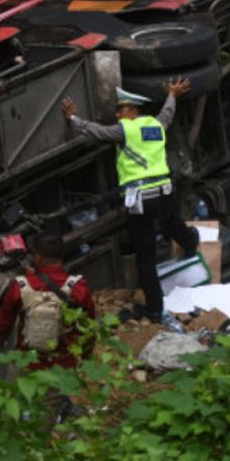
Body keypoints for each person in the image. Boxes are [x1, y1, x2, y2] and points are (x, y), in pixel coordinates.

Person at [61, 79, 199, 323]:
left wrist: (73, 118)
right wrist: (172, 95)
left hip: (142, 199)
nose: (117, 114)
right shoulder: (156, 125)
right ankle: (190, 242)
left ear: (133, 111)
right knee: (173, 224)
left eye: (121, 109)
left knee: (145, 256)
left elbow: (97, 132)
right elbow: (167, 113)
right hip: (164, 191)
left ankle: (154, 309)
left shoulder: (126, 129)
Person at [0, 231, 95, 370]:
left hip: (27, 364)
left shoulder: (21, 285)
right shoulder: (77, 286)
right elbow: (89, 326)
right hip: (64, 366)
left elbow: (4, 321)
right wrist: (85, 355)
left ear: (38, 257)